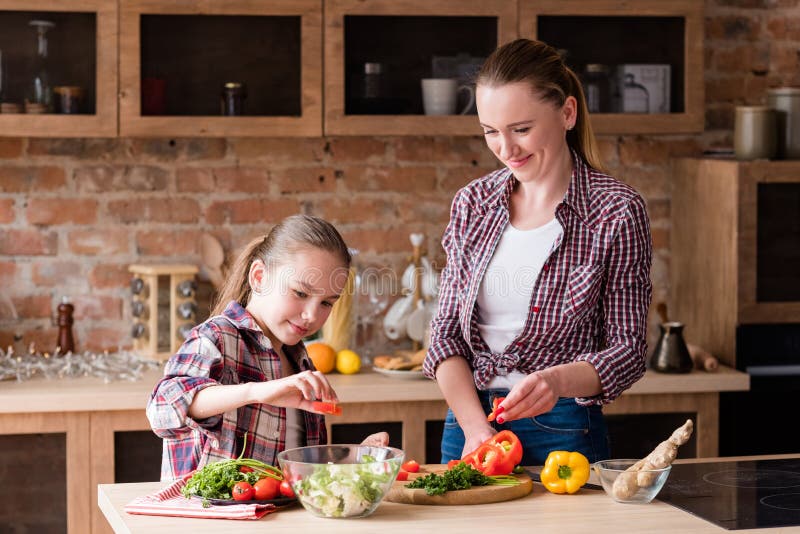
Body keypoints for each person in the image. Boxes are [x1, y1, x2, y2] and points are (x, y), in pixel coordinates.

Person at [424, 39, 653, 466]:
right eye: (491, 131)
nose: (505, 149)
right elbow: (444, 338)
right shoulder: (472, 203)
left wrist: (555, 382)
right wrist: (477, 429)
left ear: (567, 112)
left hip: (564, 424)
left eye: (521, 129)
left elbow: (627, 349)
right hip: (467, 423)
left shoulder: (616, 210)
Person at [147, 214, 386, 481]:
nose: (311, 315)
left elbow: (297, 472)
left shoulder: (300, 360)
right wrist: (257, 392)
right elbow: (161, 409)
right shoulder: (216, 337)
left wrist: (353, 459)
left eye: (327, 303)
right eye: (301, 293)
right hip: (213, 520)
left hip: (275, 521)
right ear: (259, 277)